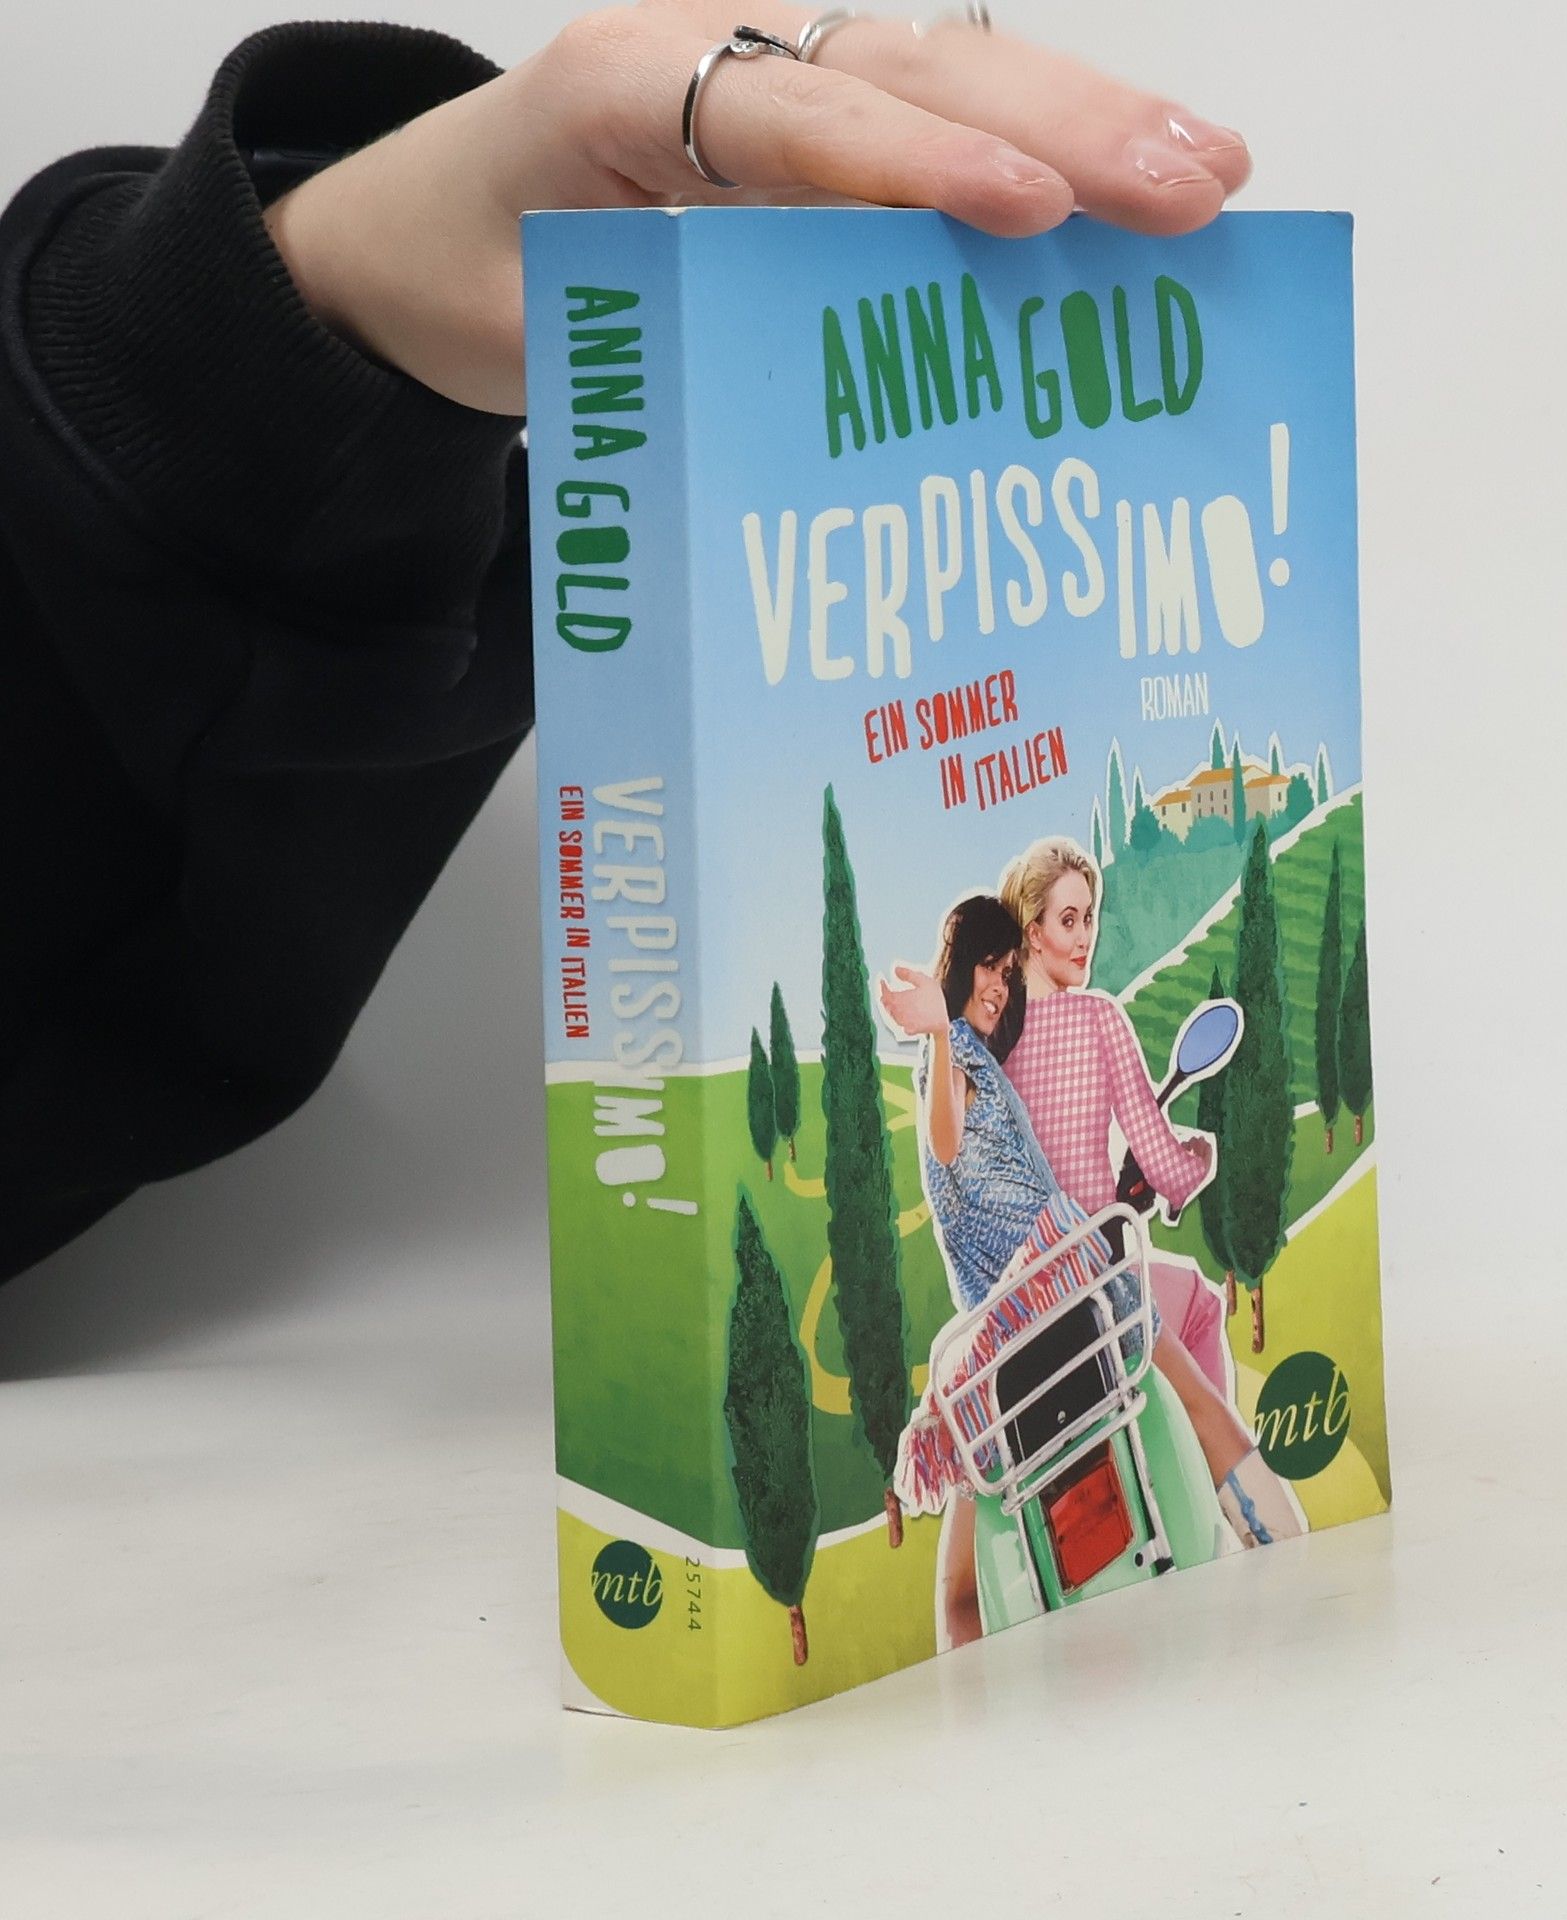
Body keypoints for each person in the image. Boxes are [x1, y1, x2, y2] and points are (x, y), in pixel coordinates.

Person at [0, 6, 1254, 1286]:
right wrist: (293, 317)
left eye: (1076, 922)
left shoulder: (1079, 1031)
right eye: (1057, 923)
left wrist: (311, 306)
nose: (1064, 945)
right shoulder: (998, 1050)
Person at [881, 893, 1299, 1650]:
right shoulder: (956, 1057)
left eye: (1007, 970)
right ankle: (1295, 1565)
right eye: (988, 966)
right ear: (958, 966)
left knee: (959, 1584)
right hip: (1066, 1281)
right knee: (1204, 1407)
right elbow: (945, 1138)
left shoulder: (977, 1054)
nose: (999, 985)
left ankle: (961, 1698)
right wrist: (939, 1031)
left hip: (1000, 1333)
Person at [995, 837, 1308, 1544]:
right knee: (1199, 1304)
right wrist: (1197, 1161)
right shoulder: (1098, 1018)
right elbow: (1165, 1167)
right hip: (1093, 1289)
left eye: (1089, 916)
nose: (1085, 936)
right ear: (1032, 932)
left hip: (1019, 1316)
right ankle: (1257, 1532)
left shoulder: (992, 1042)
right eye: (1068, 920)